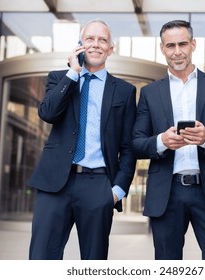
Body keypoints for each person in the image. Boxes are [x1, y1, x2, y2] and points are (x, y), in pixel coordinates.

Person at [132, 20, 205, 260]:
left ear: (193, 44)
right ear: (162, 49)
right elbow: (136, 143)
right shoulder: (150, 93)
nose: (177, 51)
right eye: (170, 45)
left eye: (183, 44)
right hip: (167, 192)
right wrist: (162, 141)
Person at [27, 19, 137, 260]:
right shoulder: (59, 78)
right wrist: (73, 73)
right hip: (54, 184)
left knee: (94, 262)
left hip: (98, 184)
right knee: (41, 258)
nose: (96, 44)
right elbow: (48, 113)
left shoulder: (125, 91)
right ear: (80, 45)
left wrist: (117, 190)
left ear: (111, 48)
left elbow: (128, 147)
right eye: (90, 39)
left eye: (102, 40)